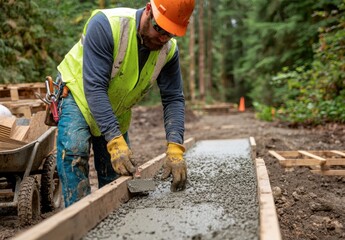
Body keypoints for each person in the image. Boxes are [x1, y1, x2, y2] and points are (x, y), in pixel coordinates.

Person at [55, 0, 195, 207]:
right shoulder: (107, 25)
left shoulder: (168, 51)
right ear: (148, 10)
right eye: (160, 29)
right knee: (75, 150)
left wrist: (175, 147)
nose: (163, 38)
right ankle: (77, 219)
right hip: (79, 95)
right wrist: (114, 138)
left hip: (116, 107)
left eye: (171, 34)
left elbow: (173, 97)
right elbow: (94, 87)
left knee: (117, 173)